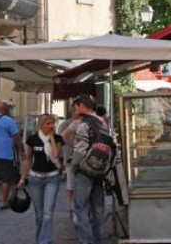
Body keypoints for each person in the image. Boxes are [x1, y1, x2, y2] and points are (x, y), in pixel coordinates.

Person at [18, 114, 64, 244]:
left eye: (52, 123)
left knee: (48, 213)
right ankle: (40, 240)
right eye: (48, 124)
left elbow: (56, 154)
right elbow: (27, 160)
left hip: (52, 178)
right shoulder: (33, 139)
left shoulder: (58, 138)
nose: (51, 126)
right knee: (39, 214)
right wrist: (22, 179)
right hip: (35, 179)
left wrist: (51, 138)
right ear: (41, 125)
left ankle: (45, 241)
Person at [70, 94, 107, 244]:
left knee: (81, 208)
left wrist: (73, 166)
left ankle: (85, 241)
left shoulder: (83, 124)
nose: (74, 111)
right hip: (100, 171)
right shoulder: (102, 123)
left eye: (76, 107)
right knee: (98, 209)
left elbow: (80, 150)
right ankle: (98, 240)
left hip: (85, 171)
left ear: (82, 107)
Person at [57, 105, 81, 216]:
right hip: (70, 157)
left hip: (80, 157)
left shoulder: (83, 123)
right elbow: (60, 142)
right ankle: (71, 205)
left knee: (76, 182)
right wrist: (60, 158)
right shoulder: (64, 125)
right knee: (71, 182)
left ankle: (76, 204)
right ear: (73, 112)